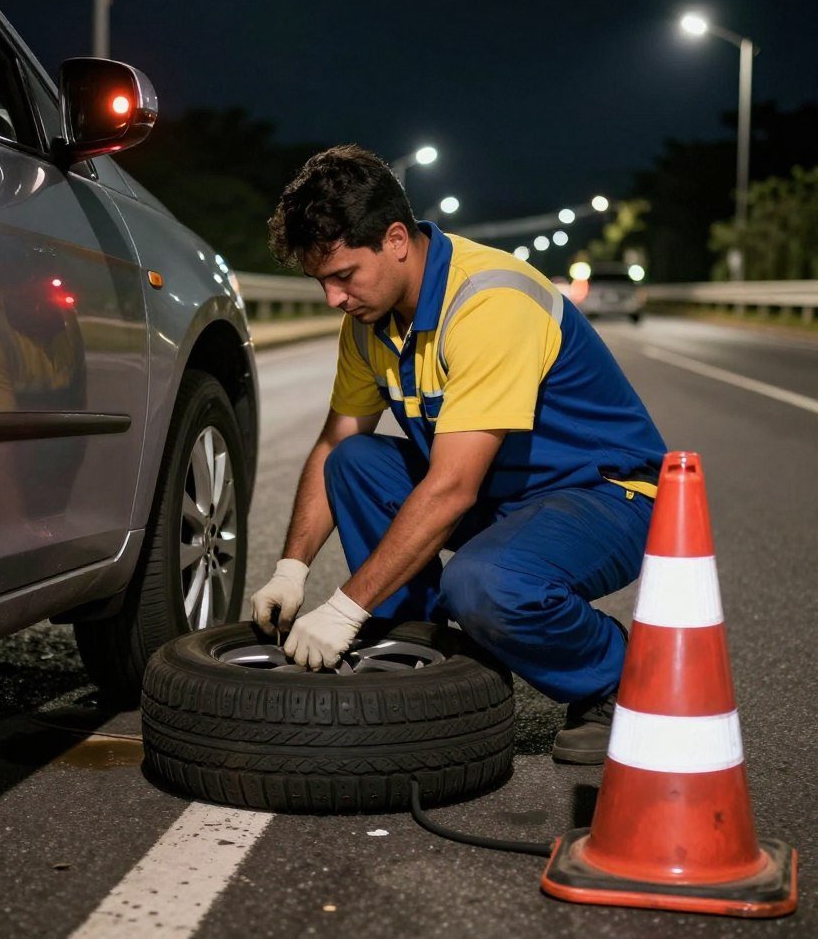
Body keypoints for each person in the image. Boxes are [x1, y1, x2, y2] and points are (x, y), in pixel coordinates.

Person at [250, 144, 666, 764]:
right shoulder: (370, 321)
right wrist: (292, 568)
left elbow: (451, 490)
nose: (333, 299)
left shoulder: (489, 302)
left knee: (483, 584)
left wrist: (342, 607)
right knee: (355, 463)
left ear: (396, 239)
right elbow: (337, 439)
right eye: (322, 282)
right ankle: (419, 652)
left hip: (606, 494)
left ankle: (623, 680)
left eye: (343, 276)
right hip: (508, 494)